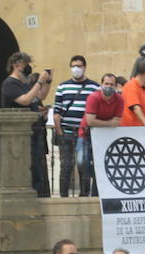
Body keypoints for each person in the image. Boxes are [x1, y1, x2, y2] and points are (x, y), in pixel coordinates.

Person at [1, 51, 53, 197]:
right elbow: (25, 100)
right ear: (16, 65)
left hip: (34, 132)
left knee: (35, 169)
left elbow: (39, 96)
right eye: (26, 64)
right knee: (25, 169)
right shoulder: (9, 83)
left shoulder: (24, 83)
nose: (28, 67)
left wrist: (48, 82)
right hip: (20, 134)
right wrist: (40, 82)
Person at [52, 55, 97, 197]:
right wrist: (59, 130)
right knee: (66, 165)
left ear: (85, 67)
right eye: (73, 66)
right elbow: (57, 110)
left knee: (83, 165)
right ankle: (63, 196)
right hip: (66, 131)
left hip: (84, 132)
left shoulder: (94, 87)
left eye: (79, 66)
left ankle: (84, 195)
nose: (76, 69)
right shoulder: (62, 86)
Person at [122, 57, 145, 126]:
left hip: (143, 131)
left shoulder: (144, 88)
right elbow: (135, 107)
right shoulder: (131, 86)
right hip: (134, 131)